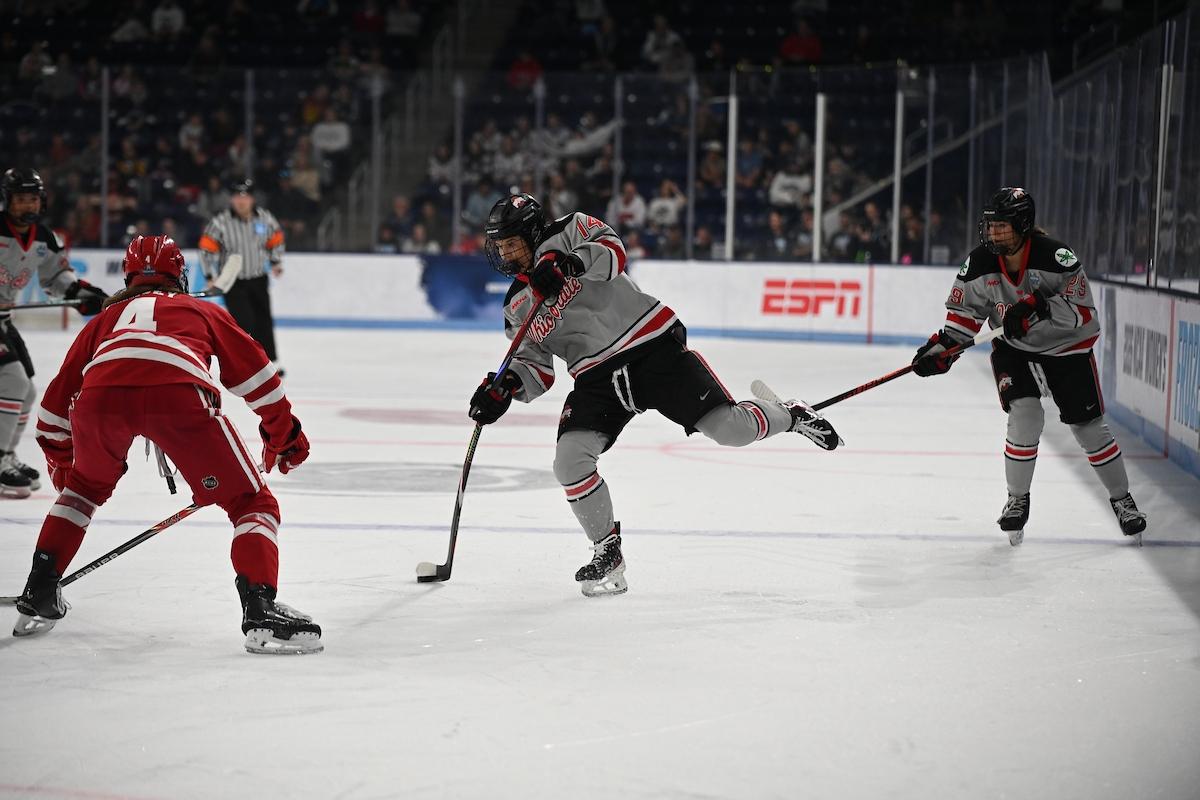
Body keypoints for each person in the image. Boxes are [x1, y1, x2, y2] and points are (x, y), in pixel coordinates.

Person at [470, 194, 842, 597]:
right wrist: (506, 387)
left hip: (651, 346)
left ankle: (791, 413)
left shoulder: (571, 229)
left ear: (532, 231)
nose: (504, 253)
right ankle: (607, 549)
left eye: (511, 242)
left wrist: (569, 263)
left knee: (731, 429)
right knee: (569, 461)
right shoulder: (516, 305)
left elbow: (614, 253)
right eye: (500, 245)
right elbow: (536, 368)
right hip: (597, 380)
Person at [13, 235, 319, 653]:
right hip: (178, 395)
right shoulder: (199, 308)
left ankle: (39, 590)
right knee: (253, 503)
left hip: (99, 400)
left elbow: (51, 412)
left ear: (128, 275)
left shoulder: (105, 319)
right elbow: (259, 379)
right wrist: (283, 436)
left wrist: (66, 465)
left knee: (81, 492)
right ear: (181, 275)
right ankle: (260, 608)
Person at [911, 187, 1147, 545]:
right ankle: (1017, 500)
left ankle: (1122, 500)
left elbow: (1085, 314)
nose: (993, 234)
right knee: (1025, 415)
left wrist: (1039, 306)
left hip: (1067, 349)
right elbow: (964, 317)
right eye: (990, 227)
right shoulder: (979, 264)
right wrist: (942, 349)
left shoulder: (1057, 258)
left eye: (1002, 227)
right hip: (1015, 349)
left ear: (1022, 224)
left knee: (1089, 429)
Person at [0, 167, 107, 498]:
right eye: (20, 199)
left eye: (32, 198)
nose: (27, 206)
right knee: (14, 382)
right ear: (7, 201)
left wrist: (79, 294)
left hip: (3, 320)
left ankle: (7, 455)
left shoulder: (43, 238)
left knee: (28, 391)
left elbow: (56, 276)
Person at [198, 179, 287, 375]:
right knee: (244, 321)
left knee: (263, 319)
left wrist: (275, 261)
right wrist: (210, 275)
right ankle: (248, 363)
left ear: (252, 199)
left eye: (245, 196)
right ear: (231, 199)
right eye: (237, 196)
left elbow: (276, 239)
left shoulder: (264, 219)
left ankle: (270, 361)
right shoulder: (220, 223)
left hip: (258, 277)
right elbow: (206, 250)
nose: (241, 200)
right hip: (233, 281)